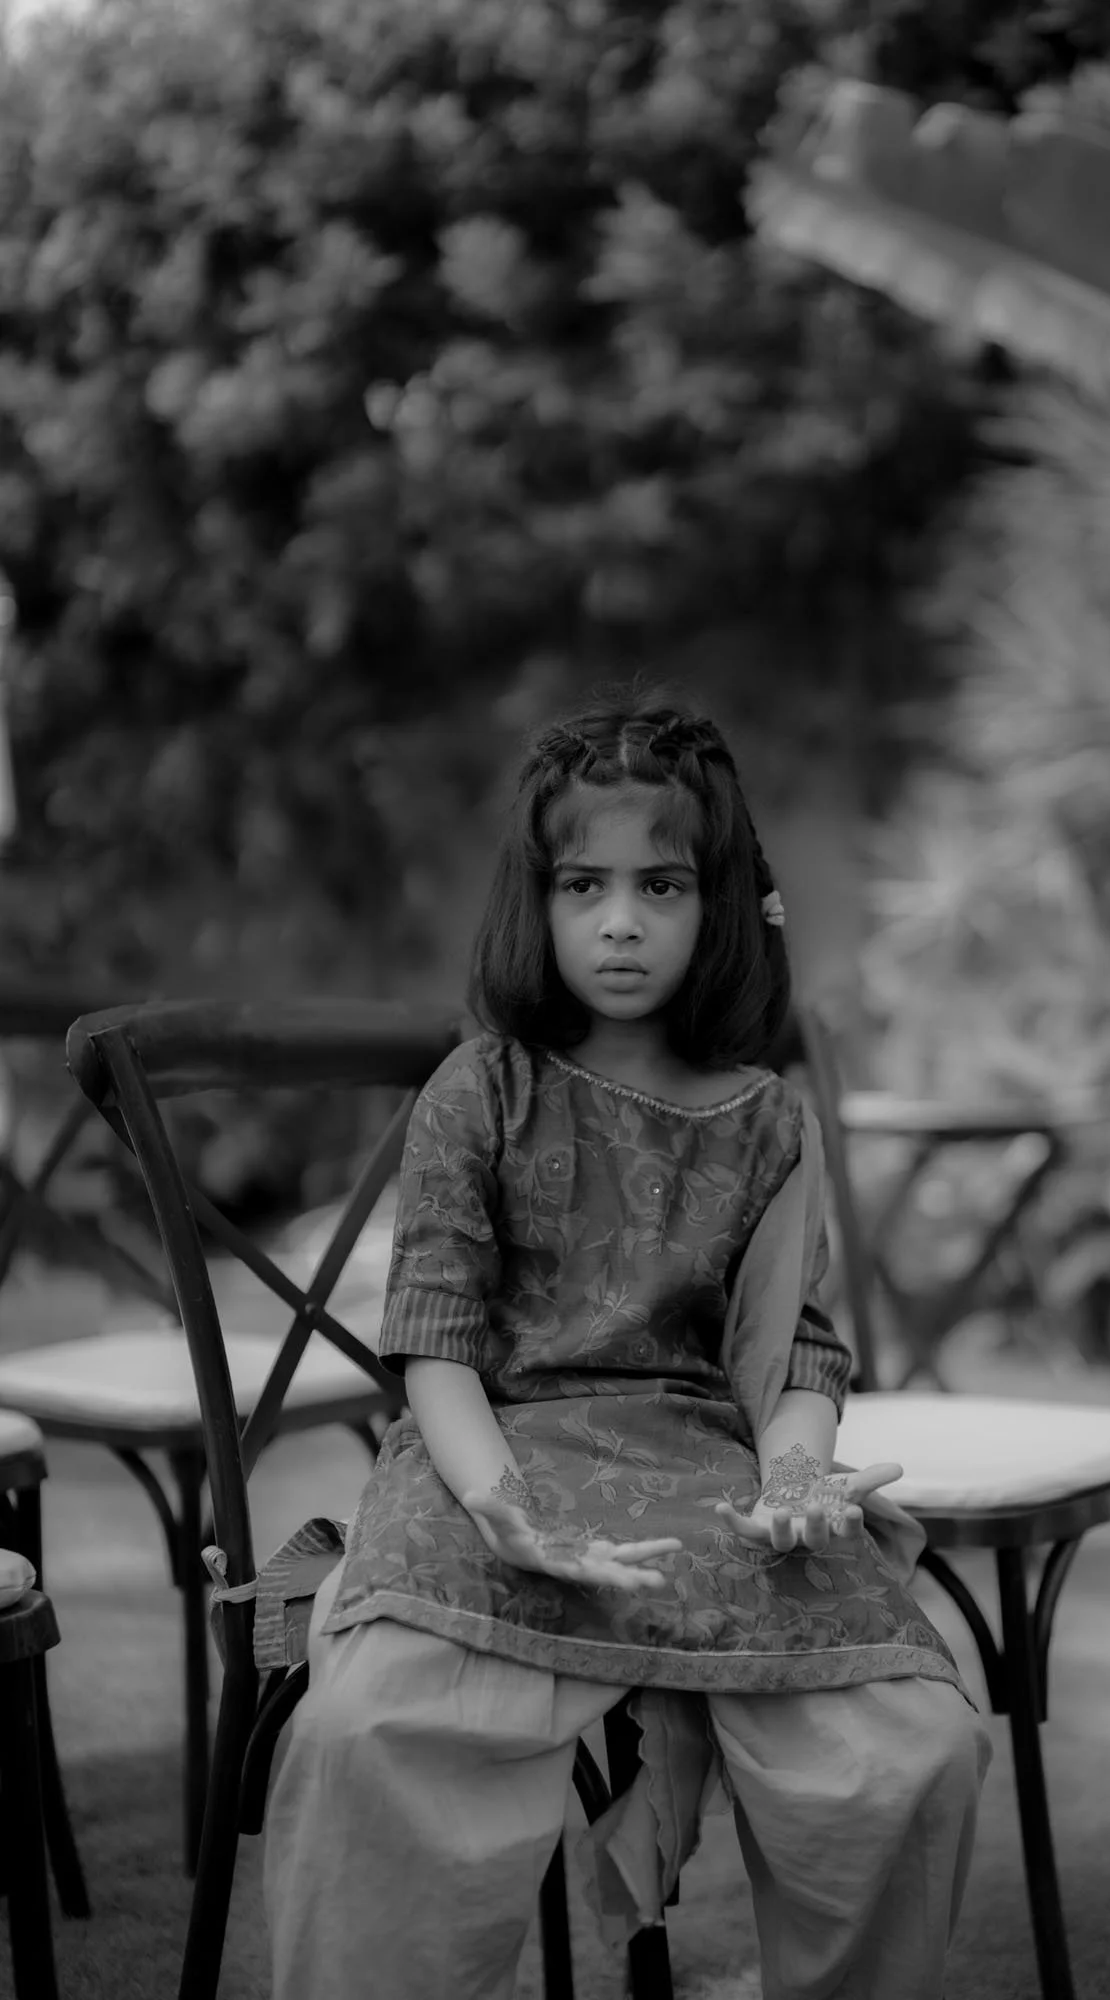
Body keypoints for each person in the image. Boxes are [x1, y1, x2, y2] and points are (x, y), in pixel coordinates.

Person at [263, 694, 992, 2000]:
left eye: (661, 884)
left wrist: (796, 1476)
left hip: (704, 1480)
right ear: (532, 901)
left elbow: (792, 1357)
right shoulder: (481, 1088)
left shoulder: (768, 1123)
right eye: (582, 882)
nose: (618, 921)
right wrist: (497, 1501)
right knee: (372, 1735)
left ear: (720, 904)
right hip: (487, 1461)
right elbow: (432, 1336)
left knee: (910, 1744)